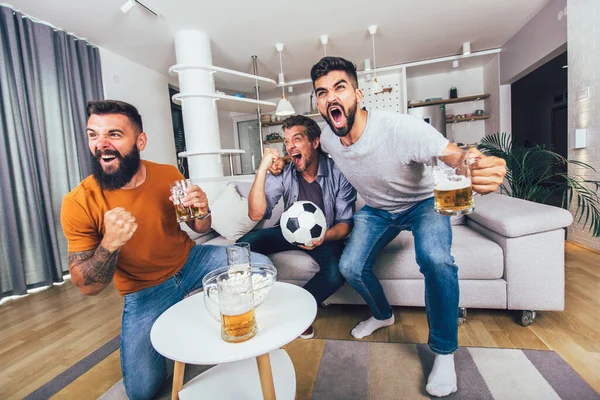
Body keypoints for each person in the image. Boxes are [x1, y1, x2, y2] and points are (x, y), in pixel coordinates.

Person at [308, 57, 507, 397]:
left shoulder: (400, 128)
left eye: (339, 88)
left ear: (357, 93)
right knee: (350, 267)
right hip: (378, 210)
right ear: (318, 103)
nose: (331, 98)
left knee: (436, 260)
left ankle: (444, 352)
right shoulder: (328, 139)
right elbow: (318, 155)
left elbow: (453, 154)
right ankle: (383, 315)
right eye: (322, 92)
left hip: (422, 204)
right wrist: (281, 160)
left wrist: (473, 162)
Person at [60, 100, 272, 400]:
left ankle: (243, 334)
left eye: (114, 135)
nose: (101, 144)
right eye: (93, 135)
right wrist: (109, 244)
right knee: (141, 391)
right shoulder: (78, 201)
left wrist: (201, 210)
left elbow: (200, 227)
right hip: (143, 291)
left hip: (191, 262)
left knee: (260, 266)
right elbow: (87, 286)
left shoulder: (167, 174)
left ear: (140, 141)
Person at [238, 115, 356, 339]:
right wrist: (262, 170)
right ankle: (256, 304)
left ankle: (298, 310)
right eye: (286, 142)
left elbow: (345, 225)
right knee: (243, 247)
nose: (290, 146)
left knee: (336, 274)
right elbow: (256, 213)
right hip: (288, 231)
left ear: (315, 142)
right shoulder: (284, 171)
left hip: (324, 235)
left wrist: (323, 237)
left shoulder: (339, 173)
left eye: (297, 139)